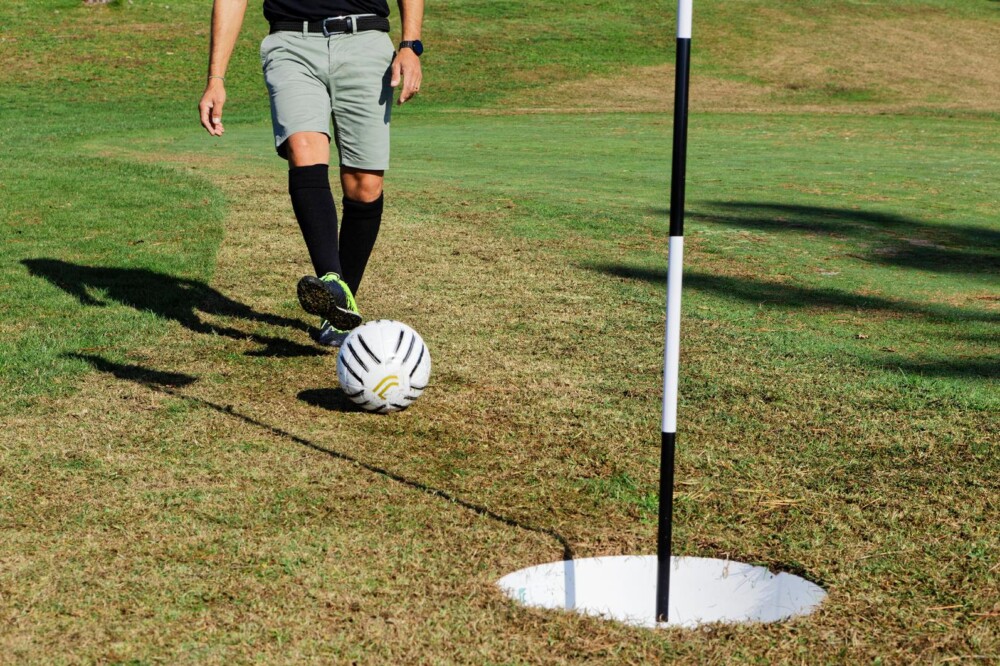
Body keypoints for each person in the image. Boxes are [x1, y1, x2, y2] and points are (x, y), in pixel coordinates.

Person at [199, 0, 424, 346]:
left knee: (364, 184)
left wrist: (410, 45)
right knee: (303, 149)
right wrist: (216, 78)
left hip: (365, 38)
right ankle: (332, 281)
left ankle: (340, 307)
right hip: (291, 43)